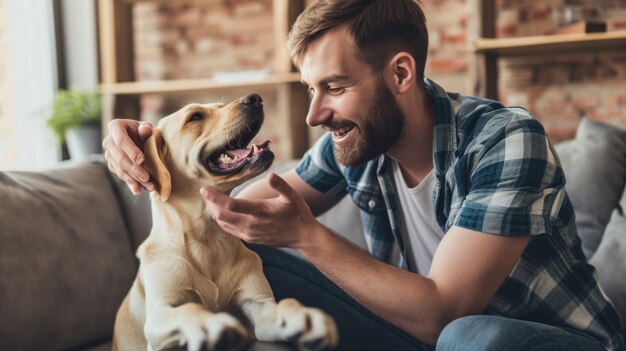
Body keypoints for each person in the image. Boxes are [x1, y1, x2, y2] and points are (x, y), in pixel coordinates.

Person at [103, 0, 625, 350]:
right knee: (254, 267)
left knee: (470, 336)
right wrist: (152, 153)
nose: (314, 115)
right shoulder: (357, 141)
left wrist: (308, 235)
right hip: (419, 339)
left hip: (544, 339)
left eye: (333, 86)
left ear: (401, 73)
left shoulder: (508, 140)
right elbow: (227, 217)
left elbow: (443, 312)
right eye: (311, 89)